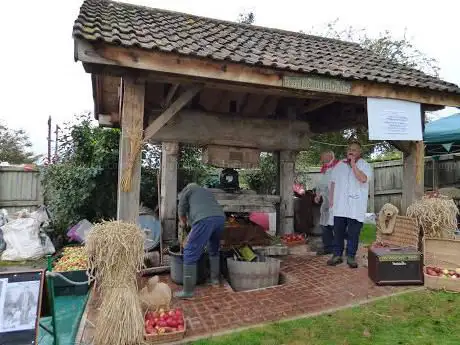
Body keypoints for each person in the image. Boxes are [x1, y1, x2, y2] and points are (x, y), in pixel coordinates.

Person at [175, 183, 226, 298]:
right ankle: (215, 281)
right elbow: (204, 208)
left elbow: (181, 210)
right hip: (220, 218)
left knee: (189, 250)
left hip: (204, 219)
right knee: (213, 249)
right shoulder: (205, 191)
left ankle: (188, 292)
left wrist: (183, 223)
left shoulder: (187, 191)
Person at [327, 141, 372, 268]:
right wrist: (331, 200)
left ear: (360, 152)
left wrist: (353, 165)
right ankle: (337, 255)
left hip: (356, 206)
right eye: (349, 150)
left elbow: (363, 179)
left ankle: (351, 256)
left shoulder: (365, 165)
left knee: (354, 233)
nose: (351, 152)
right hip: (340, 205)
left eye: (354, 150)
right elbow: (333, 183)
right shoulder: (339, 165)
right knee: (338, 232)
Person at [314, 150, 339, 255]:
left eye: (323, 157)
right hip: (325, 202)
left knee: (336, 226)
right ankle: (328, 247)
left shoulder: (338, 168)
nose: (321, 159)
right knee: (324, 225)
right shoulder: (324, 169)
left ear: (330, 156)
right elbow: (321, 184)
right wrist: (317, 195)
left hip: (336, 202)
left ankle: (337, 248)